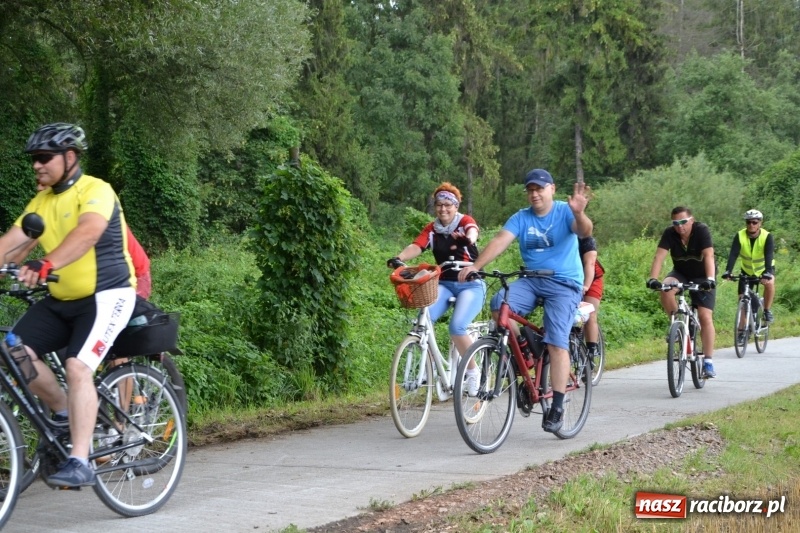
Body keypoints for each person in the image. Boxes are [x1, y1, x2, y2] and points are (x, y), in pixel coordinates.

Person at [0, 123, 137, 487]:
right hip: (63, 299)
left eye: (44, 157)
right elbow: (11, 245)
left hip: (107, 296)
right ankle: (63, 410)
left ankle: (80, 459)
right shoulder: (41, 204)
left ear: (70, 156)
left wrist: (47, 263)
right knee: (13, 349)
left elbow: (87, 232)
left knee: (78, 366)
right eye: (34, 159)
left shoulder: (96, 190)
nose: (36, 165)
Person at [458, 169, 592, 434]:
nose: (534, 194)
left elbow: (584, 230)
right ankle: (525, 350)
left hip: (564, 283)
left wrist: (579, 212)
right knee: (499, 306)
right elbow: (500, 240)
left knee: (556, 341)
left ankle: (557, 405)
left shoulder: (565, 211)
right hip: (531, 280)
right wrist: (476, 265)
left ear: (551, 189)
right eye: (530, 190)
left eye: (539, 189)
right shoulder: (521, 217)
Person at [387, 182, 486, 396]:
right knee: (423, 320)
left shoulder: (464, 222)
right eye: (439, 205)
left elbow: (472, 232)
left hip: (470, 284)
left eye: (448, 205)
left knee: (457, 327)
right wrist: (399, 258)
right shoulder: (432, 229)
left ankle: (472, 372)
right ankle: (428, 367)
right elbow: (418, 245)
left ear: (456, 206)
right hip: (444, 284)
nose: (443, 209)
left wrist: (467, 240)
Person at [647, 207, 717, 378]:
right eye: (676, 223)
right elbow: (659, 256)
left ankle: (708, 362)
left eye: (683, 222)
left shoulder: (701, 230)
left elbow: (709, 256)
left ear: (691, 220)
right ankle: (677, 327)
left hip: (702, 276)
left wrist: (710, 279)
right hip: (681, 274)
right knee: (665, 289)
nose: (680, 227)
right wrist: (653, 278)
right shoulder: (670, 234)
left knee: (705, 316)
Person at [722, 209, 776, 330]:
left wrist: (767, 273)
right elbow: (733, 254)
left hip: (764, 269)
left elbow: (769, 255)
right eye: (748, 222)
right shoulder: (740, 235)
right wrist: (728, 271)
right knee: (742, 299)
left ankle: (767, 310)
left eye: (754, 222)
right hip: (747, 270)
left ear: (760, 223)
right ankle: (742, 330)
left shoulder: (767, 236)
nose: (751, 225)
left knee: (770, 283)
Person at [579, 236, 605, 364]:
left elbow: (590, 264)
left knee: (589, 312)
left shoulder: (586, 239)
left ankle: (590, 353)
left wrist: (586, 286)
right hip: (571, 279)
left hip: (592, 279)